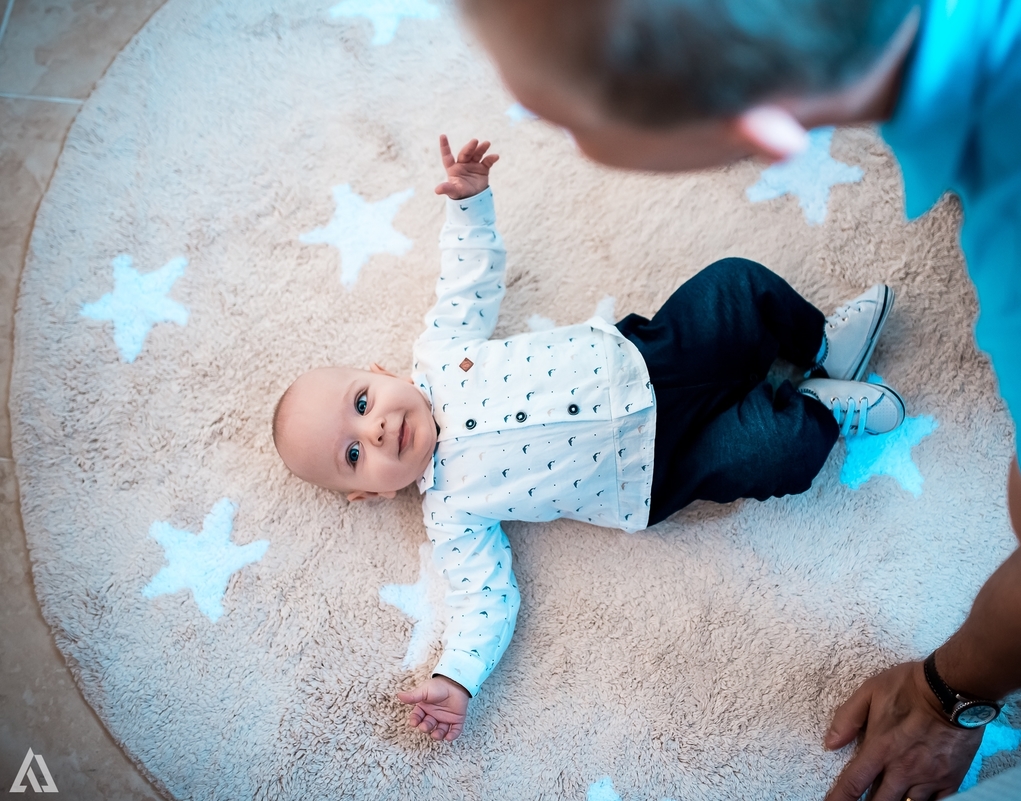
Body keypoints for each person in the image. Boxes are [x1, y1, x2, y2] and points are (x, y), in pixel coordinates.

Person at [454, 0, 1021, 797]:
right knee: (746, 447)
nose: (519, 104)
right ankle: (818, 387)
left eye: (557, 113)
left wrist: (945, 696)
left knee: (743, 328)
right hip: (648, 467)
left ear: (766, 136)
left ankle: (816, 375)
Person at [271, 134, 906, 743]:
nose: (376, 428)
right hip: (656, 470)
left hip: (652, 357)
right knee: (772, 452)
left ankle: (819, 344)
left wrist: (469, 202)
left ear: (381, 374)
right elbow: (483, 599)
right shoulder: (451, 515)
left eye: (362, 402)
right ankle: (816, 408)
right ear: (371, 496)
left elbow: (468, 280)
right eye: (354, 454)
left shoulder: (439, 352)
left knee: (736, 284)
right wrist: (455, 676)